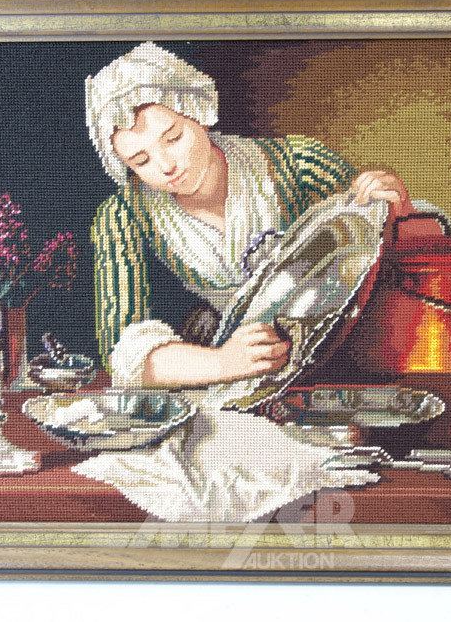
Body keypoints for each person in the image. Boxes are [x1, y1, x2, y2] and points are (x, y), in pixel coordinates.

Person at [85, 42, 416, 388]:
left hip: (341, 363)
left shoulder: (299, 167)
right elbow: (121, 350)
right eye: (141, 161)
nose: (166, 166)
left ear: (197, 113)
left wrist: (396, 209)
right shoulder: (123, 216)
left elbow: (386, 256)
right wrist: (222, 362)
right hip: (219, 376)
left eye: (173, 138)